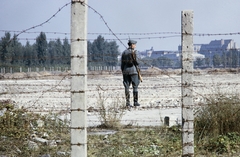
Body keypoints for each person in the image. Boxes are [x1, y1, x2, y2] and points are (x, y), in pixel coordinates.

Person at [121, 39, 141, 108]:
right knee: (135, 86)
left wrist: (123, 71)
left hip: (125, 71)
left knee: (126, 87)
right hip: (134, 71)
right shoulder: (135, 52)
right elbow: (137, 62)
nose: (135, 46)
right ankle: (135, 102)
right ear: (132, 45)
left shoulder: (124, 53)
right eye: (134, 44)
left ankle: (127, 102)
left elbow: (122, 64)